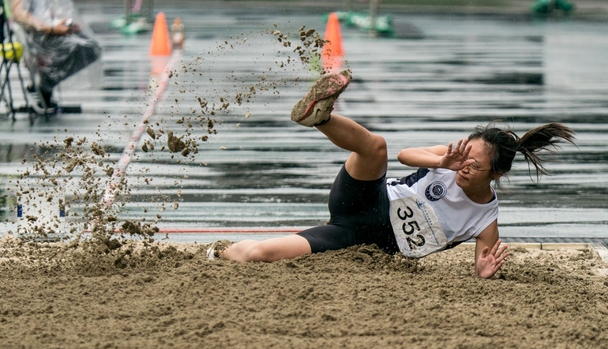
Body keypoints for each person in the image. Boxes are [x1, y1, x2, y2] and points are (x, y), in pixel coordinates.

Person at [210, 70, 576, 279]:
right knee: (377, 147)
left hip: (361, 239)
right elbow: (404, 155)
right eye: (465, 155)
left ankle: (220, 254)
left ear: (494, 175)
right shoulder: (449, 159)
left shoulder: (485, 219)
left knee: (261, 254)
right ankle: (319, 117)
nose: (464, 166)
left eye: (473, 166)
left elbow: (484, 262)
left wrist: (484, 273)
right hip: (369, 198)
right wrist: (441, 163)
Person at [11, 0, 101, 114]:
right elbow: (19, 15)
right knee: (86, 47)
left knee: (90, 48)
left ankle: (43, 85)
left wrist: (63, 24)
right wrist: (51, 29)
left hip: (46, 31)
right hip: (34, 35)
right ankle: (42, 86)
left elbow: (43, 12)